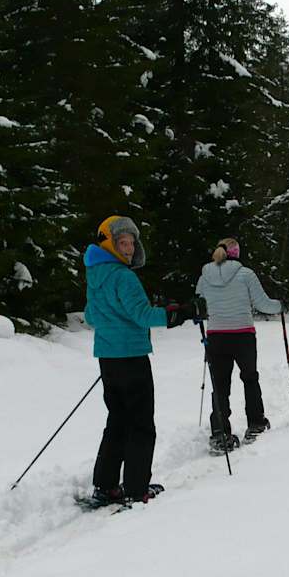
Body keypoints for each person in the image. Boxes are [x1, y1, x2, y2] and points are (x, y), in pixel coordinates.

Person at [84, 215, 193, 504]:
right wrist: (178, 314)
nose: (129, 248)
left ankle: (106, 484)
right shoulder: (124, 276)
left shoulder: (95, 275)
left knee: (117, 420)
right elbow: (142, 315)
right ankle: (136, 488)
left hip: (108, 358)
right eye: (123, 242)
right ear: (109, 243)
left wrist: (114, 328)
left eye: (132, 242)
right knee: (141, 423)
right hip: (131, 358)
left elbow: (91, 316)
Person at [195, 238, 282, 452]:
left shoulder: (205, 275)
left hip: (216, 336)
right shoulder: (245, 274)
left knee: (220, 384)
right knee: (250, 378)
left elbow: (198, 303)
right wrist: (280, 304)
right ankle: (256, 423)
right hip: (243, 334)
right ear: (236, 253)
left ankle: (219, 432)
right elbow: (263, 304)